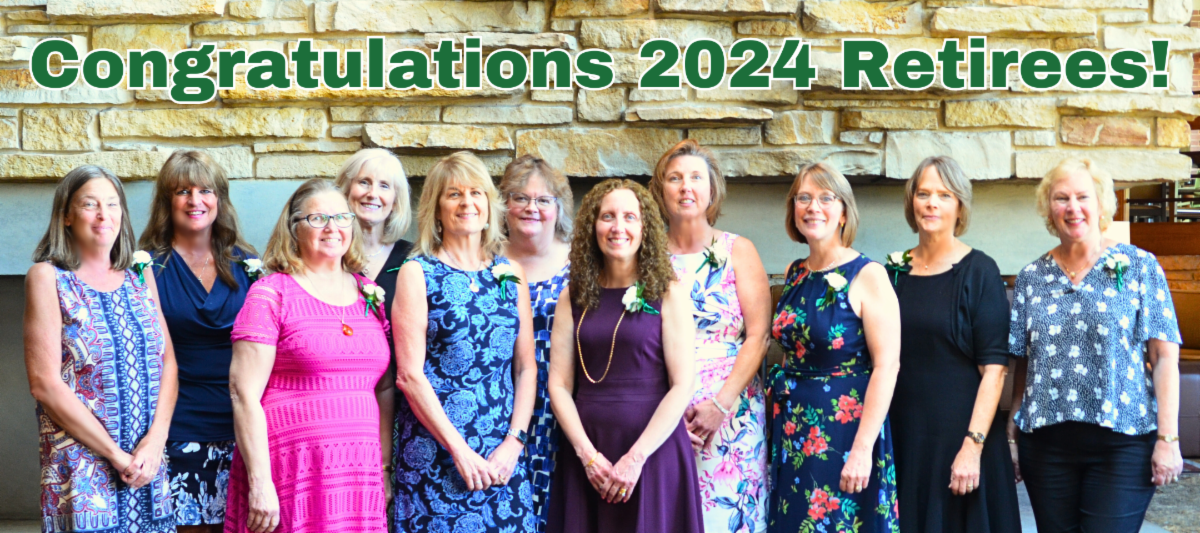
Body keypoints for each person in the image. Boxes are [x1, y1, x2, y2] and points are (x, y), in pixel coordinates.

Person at [1008, 157, 1183, 533]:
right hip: (1046, 446)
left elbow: (1164, 357)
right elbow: (1024, 362)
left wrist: (1168, 438)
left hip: (1123, 443)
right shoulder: (1031, 277)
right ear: (1048, 209)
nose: (1073, 207)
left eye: (1083, 196)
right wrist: (1012, 433)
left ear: (1102, 203)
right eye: (1061, 198)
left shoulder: (1139, 266)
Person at [225, 178, 390, 533]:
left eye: (341, 217)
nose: (332, 228)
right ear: (294, 228)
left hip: (357, 473)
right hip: (292, 471)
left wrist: (385, 467)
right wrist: (260, 482)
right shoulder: (272, 294)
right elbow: (243, 393)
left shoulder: (369, 293)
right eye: (317, 219)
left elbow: (384, 387)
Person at [25, 165, 178, 533]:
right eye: (89, 204)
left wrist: (155, 442)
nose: (103, 215)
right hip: (83, 468)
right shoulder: (48, 277)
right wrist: (116, 455)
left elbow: (169, 362)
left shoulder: (141, 273)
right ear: (66, 215)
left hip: (146, 464)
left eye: (112, 204)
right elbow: (44, 384)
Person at [546, 179, 703, 533]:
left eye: (630, 217)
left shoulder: (669, 293)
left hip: (653, 451)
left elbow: (682, 384)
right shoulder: (572, 297)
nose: (618, 227)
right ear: (593, 226)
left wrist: (636, 457)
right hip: (588, 451)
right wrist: (587, 456)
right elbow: (559, 385)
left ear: (645, 228)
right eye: (608, 217)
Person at [391, 152, 537, 532]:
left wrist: (515, 443)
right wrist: (459, 450)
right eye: (454, 194)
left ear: (489, 205)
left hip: (501, 459)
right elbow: (409, 376)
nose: (466, 203)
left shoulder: (509, 272)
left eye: (476, 193)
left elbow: (525, 368)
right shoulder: (417, 272)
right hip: (438, 457)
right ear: (437, 209)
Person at [885, 156, 1020, 533]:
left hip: (962, 441)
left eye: (944, 195)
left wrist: (972, 446)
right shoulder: (892, 272)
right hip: (906, 439)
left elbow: (995, 371)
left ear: (960, 206)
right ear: (911, 202)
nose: (932, 203)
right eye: (923, 194)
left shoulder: (980, 271)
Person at [768, 162, 901, 533]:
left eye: (826, 198)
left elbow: (887, 366)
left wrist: (862, 449)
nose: (813, 207)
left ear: (844, 213)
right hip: (793, 427)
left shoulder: (868, 275)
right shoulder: (795, 272)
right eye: (804, 198)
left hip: (844, 432)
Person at [650, 140, 770, 533]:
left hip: (731, 412)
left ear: (712, 189)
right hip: (664, 413)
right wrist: (665, 418)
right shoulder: (646, 256)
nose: (686, 187)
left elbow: (758, 337)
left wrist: (720, 404)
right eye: (675, 178)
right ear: (661, 190)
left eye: (696, 178)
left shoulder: (739, 250)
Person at [139, 151, 258, 532]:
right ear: (166, 201)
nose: (195, 201)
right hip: (177, 422)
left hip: (241, 421)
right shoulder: (146, 267)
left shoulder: (248, 264)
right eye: (182, 191)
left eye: (205, 190)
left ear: (219, 198)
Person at [332, 148, 413, 510]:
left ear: (396, 200)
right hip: (344, 408)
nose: (372, 193)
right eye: (363, 182)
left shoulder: (414, 259)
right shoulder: (327, 254)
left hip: (407, 410)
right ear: (345, 189)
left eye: (384, 186)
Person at [499, 155, 573, 533]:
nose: (532, 208)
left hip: (566, 407)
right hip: (503, 408)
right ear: (503, 205)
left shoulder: (581, 263)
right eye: (520, 198)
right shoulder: (487, 261)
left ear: (558, 208)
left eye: (543, 200)